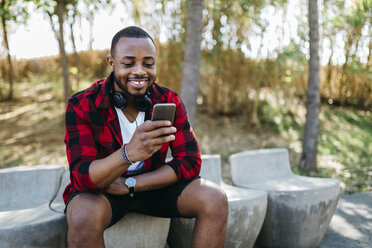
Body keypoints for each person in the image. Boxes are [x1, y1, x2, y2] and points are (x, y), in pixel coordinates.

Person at [63, 26, 228, 248]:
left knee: (215, 199)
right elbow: (82, 175)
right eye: (128, 63)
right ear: (111, 63)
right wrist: (128, 154)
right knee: (83, 216)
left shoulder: (168, 100)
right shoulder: (82, 104)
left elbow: (190, 161)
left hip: (151, 186)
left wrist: (132, 184)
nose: (140, 71)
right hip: (104, 192)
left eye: (148, 64)